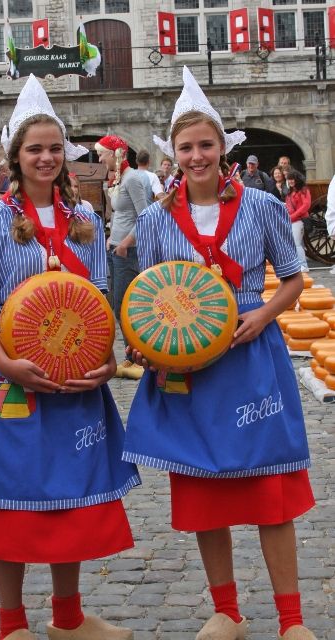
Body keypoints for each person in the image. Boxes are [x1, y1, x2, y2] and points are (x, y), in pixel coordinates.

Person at [123, 66, 316, 640]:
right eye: (186, 147)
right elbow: (148, 296)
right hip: (192, 372)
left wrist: (262, 314)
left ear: (224, 148)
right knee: (208, 492)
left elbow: (295, 278)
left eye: (206, 144)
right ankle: (226, 612)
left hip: (253, 363)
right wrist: (151, 349)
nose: (197, 155)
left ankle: (291, 620)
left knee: (270, 491)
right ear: (173, 153)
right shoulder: (157, 220)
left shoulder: (260, 207)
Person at [0, 75, 140, 640]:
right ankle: (12, 626)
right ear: (16, 156)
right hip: (14, 383)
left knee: (70, 499)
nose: (47, 157)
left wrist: (104, 361)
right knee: (11, 501)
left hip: (78, 384)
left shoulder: (84, 224)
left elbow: (98, 301)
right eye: (36, 149)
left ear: (68, 155)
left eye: (56, 148)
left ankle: (69, 620)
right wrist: (3, 364)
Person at [95, 134, 147, 380]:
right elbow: (120, 214)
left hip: (128, 250)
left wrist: (126, 242)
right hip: (116, 246)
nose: (99, 158)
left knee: (126, 304)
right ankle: (130, 355)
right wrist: (112, 236)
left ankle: (134, 356)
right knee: (117, 304)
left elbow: (145, 216)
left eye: (101, 154)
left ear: (114, 154)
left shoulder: (133, 179)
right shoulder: (119, 179)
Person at [285, 169, 311, 273]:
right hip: (293, 220)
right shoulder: (292, 191)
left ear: (297, 179)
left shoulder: (303, 190)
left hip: (298, 220)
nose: (290, 181)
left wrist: (292, 216)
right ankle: (299, 264)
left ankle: (303, 265)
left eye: (292, 179)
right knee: (296, 243)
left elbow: (306, 206)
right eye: (289, 179)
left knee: (297, 244)